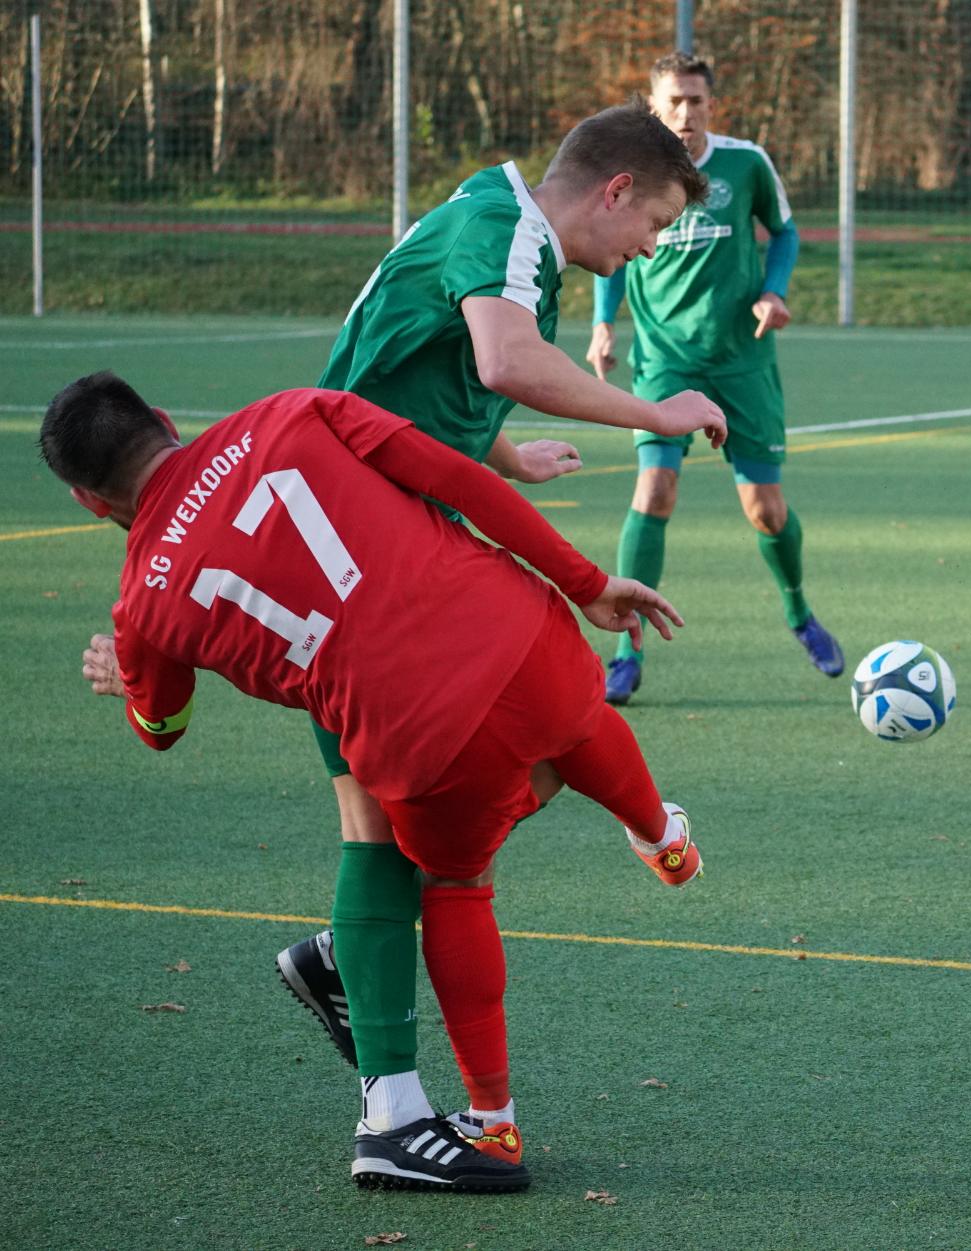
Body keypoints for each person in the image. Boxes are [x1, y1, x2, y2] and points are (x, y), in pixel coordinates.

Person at [49, 372, 704, 1190]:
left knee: (456, 884)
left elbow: (163, 729)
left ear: (88, 501)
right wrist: (586, 582)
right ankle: (661, 835)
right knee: (576, 723)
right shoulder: (291, 408)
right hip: (518, 628)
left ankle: (492, 1125)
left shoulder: (142, 604)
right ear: (165, 418)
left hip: (415, 744)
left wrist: (128, 680)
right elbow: (456, 478)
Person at [271, 102, 726, 1140]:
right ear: (613, 190)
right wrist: (659, 411)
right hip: (354, 554)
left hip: (366, 534)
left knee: (415, 812)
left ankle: (352, 977)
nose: (646, 251)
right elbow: (502, 362)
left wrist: (505, 457)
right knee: (422, 806)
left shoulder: (500, 222)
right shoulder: (505, 227)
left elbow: (415, 382)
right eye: (651, 226)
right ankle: (391, 1111)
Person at [587, 51, 843, 705]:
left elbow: (783, 233)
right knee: (657, 489)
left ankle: (799, 612)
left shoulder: (745, 163)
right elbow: (613, 252)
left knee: (765, 509)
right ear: (653, 106)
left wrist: (774, 292)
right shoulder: (634, 170)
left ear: (710, 105)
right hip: (667, 361)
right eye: (673, 101)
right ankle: (626, 651)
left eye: (696, 100)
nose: (685, 113)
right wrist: (603, 322)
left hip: (742, 362)